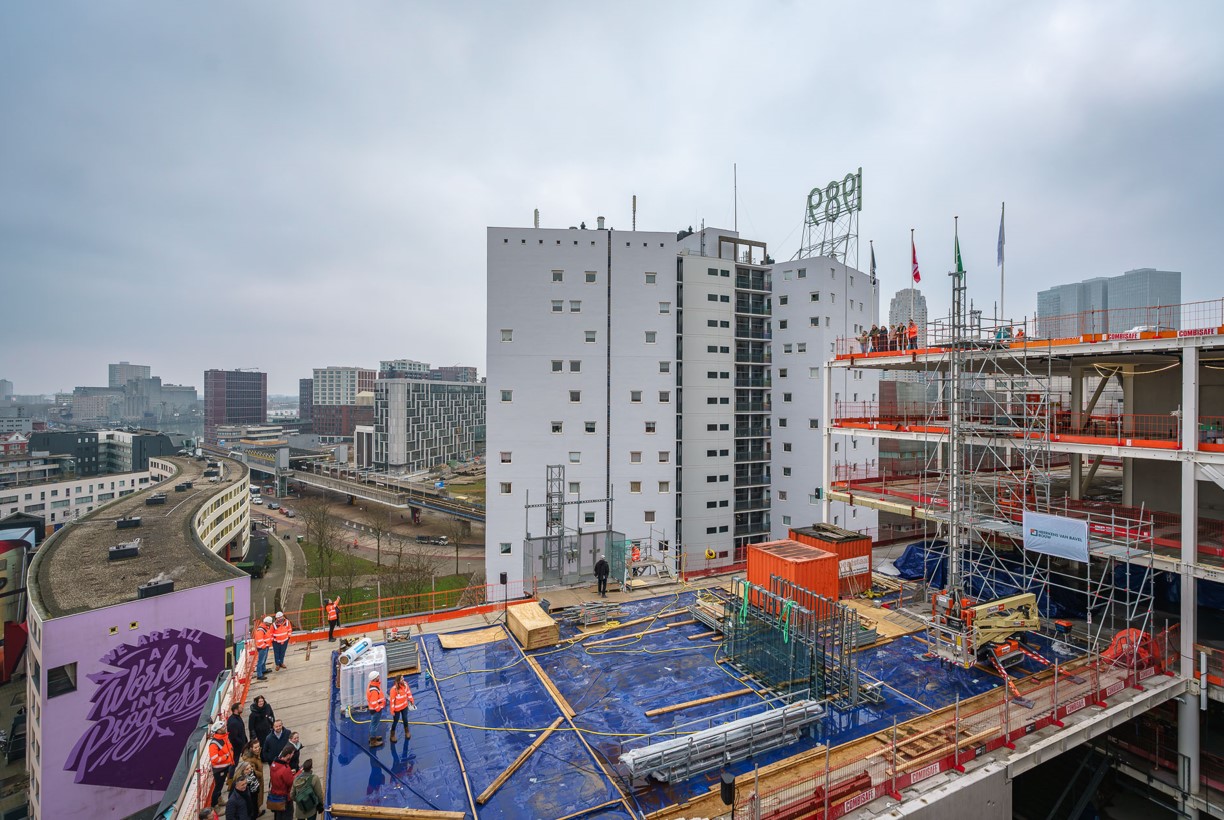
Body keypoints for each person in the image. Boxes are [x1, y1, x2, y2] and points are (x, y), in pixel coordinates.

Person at [207, 721, 235, 808]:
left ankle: (219, 800)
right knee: (218, 787)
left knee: (220, 786)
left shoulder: (224, 737)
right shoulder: (214, 744)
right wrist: (226, 757)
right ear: (218, 731)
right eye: (222, 728)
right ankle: (214, 805)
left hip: (226, 766)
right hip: (219, 769)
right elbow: (214, 759)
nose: (224, 728)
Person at [268, 747, 297, 820]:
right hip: (285, 798)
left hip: (275, 795)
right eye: (292, 754)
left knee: (278, 815)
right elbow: (290, 782)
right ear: (288, 755)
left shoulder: (273, 764)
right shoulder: (285, 769)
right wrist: (296, 774)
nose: (293, 755)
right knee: (287, 815)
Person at [240, 739, 265, 817]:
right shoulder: (250, 759)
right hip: (255, 782)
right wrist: (260, 774)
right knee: (256, 799)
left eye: (258, 747)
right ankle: (256, 812)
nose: (258, 749)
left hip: (258, 781)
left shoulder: (256, 754)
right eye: (255, 747)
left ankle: (257, 810)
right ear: (251, 748)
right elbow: (252, 772)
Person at [389, 674, 416, 743]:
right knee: (396, 721)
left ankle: (407, 731)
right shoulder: (393, 690)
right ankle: (392, 734)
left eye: (403, 678)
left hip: (404, 706)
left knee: (405, 718)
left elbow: (408, 693)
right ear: (398, 681)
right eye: (401, 679)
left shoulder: (405, 685)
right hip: (397, 709)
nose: (403, 679)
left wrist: (411, 700)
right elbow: (392, 700)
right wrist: (392, 710)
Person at [367, 670, 386, 747]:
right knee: (374, 725)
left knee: (372, 724)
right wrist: (378, 709)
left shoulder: (372, 685)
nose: (379, 677)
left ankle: (372, 736)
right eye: (378, 676)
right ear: (375, 679)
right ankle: (373, 741)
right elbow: (374, 702)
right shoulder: (374, 690)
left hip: (373, 709)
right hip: (375, 710)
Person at [254, 616, 273, 680]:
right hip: (262, 648)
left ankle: (263, 670)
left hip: (265, 646)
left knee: (264, 660)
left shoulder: (265, 628)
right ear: (267, 623)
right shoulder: (261, 630)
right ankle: (259, 675)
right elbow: (259, 640)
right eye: (270, 623)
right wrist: (264, 646)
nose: (270, 624)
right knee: (261, 661)